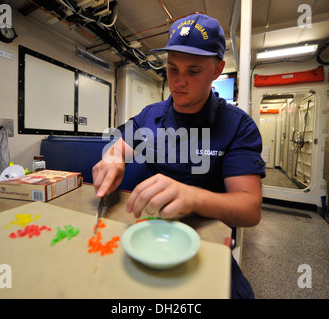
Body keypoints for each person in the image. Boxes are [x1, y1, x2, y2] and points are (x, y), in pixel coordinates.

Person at [92, 13, 266, 299]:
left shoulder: (237, 126)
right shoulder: (151, 116)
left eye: (193, 71)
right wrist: (112, 157)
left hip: (207, 243)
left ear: (217, 70)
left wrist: (193, 196)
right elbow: (119, 146)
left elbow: (250, 209)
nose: (178, 82)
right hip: (151, 236)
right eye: (172, 69)